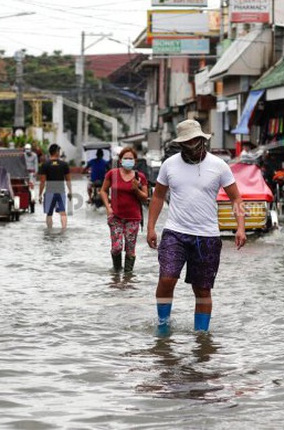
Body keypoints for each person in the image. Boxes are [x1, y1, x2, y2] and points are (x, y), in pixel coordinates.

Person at [147, 119, 247, 335]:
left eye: (196, 141)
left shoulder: (219, 166)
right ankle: (163, 325)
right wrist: (150, 228)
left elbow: (236, 199)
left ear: (203, 140)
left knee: (202, 289)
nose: (192, 146)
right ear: (180, 144)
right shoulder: (169, 165)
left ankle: (201, 336)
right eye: (187, 142)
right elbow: (157, 196)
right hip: (175, 232)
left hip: (207, 236)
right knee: (167, 278)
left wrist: (241, 227)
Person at [100, 147, 149, 274]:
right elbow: (103, 191)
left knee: (130, 249)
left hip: (133, 218)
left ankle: (128, 277)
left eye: (130, 159)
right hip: (115, 217)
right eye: (125, 158)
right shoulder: (112, 174)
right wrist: (108, 207)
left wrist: (136, 188)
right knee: (116, 248)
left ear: (135, 161)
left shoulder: (140, 177)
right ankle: (116, 273)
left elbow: (145, 197)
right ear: (120, 160)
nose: (128, 161)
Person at [38, 143, 73, 229]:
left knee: (49, 214)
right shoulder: (64, 164)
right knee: (63, 212)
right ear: (57, 152)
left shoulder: (45, 165)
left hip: (49, 192)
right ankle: (64, 230)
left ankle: (49, 231)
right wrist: (70, 191)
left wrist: (40, 194)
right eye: (59, 151)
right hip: (60, 191)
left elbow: (42, 181)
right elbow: (68, 180)